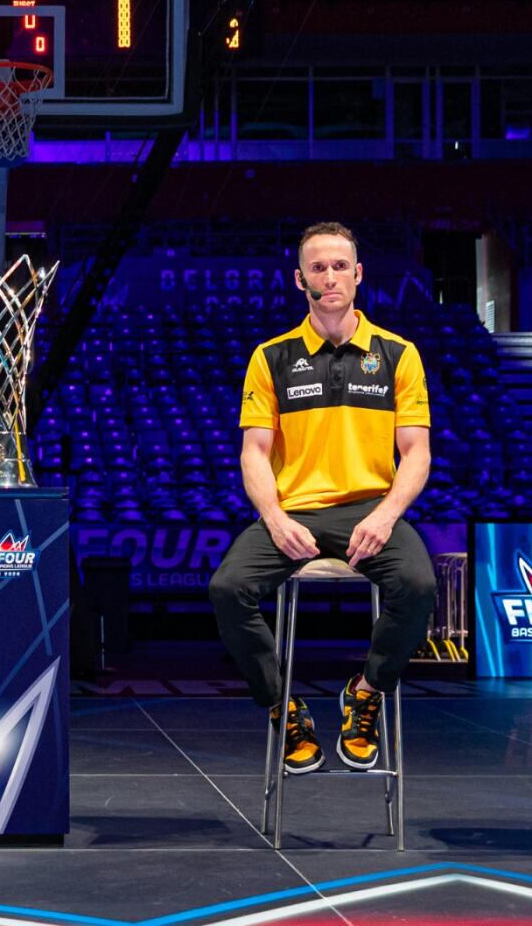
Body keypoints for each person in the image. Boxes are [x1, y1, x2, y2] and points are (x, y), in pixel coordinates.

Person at [208, 221, 435, 775]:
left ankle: (366, 691)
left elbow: (417, 453)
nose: (329, 277)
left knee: (418, 586)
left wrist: (386, 515)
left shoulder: (398, 354)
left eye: (339, 266)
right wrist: (275, 518)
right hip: (294, 512)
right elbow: (254, 453)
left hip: (370, 509)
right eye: (317, 267)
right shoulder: (272, 357)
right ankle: (281, 706)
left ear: (358, 274)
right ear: (299, 279)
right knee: (227, 589)